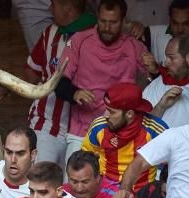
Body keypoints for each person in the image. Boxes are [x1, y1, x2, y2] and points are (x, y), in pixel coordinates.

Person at [57, 0, 156, 159]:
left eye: (113, 22)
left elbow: (155, 82)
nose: (107, 28)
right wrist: (74, 94)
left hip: (122, 135)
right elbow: (59, 83)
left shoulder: (134, 46)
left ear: (124, 22)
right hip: (82, 131)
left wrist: (155, 70)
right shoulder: (80, 40)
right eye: (103, 21)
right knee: (75, 183)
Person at [25, 0, 97, 164]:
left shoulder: (97, 35)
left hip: (85, 128)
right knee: (39, 178)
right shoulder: (50, 32)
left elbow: (31, 74)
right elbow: (31, 71)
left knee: (74, 186)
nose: (50, 8)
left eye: (54, 4)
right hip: (47, 124)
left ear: (68, 7)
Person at [81, 82, 168, 189]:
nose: (105, 116)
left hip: (143, 197)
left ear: (130, 114)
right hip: (104, 193)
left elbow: (170, 166)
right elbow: (85, 160)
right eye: (106, 109)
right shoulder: (98, 126)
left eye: (111, 112)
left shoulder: (156, 131)